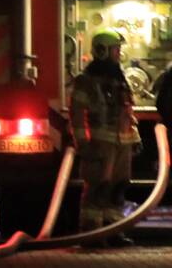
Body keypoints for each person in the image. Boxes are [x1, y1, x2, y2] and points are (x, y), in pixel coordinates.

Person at [69, 28, 140, 248]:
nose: (119, 53)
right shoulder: (86, 81)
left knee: (118, 188)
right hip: (100, 146)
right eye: (115, 49)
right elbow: (77, 114)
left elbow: (127, 110)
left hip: (122, 145)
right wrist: (83, 144)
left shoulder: (119, 79)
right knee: (97, 189)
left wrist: (135, 137)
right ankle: (91, 235)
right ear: (102, 51)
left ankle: (113, 231)